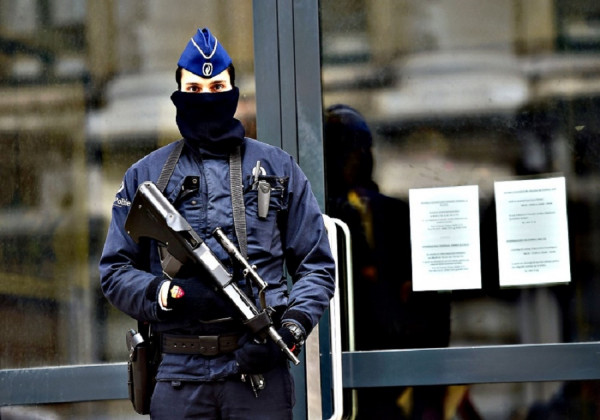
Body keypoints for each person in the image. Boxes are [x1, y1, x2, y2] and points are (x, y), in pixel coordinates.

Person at [99, 28, 336, 419]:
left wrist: (290, 329)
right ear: (178, 93)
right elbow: (115, 271)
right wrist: (169, 294)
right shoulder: (146, 175)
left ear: (233, 92)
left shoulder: (277, 168)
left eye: (217, 87)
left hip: (258, 374)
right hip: (179, 375)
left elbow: (317, 265)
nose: (206, 97)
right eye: (194, 89)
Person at [324, 104, 451, 419]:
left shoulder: (396, 214)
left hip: (398, 372)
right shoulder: (318, 218)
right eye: (343, 150)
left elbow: (433, 304)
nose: (355, 158)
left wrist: (428, 392)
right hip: (340, 369)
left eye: (360, 149)